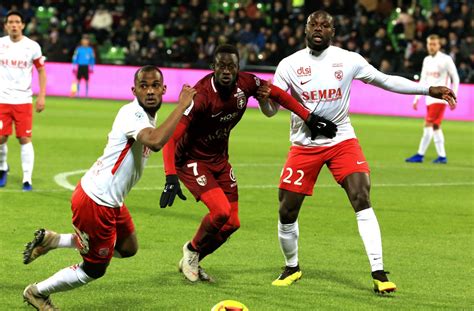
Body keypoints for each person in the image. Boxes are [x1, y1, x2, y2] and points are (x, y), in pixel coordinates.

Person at [257, 11, 456, 293]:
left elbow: (385, 80)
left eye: (325, 25)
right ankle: (292, 266)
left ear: (333, 31)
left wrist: (427, 89)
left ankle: (379, 272)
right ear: (305, 29)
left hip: (341, 139)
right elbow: (271, 110)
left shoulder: (348, 60)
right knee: (287, 210)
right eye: (314, 24)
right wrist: (265, 102)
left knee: (361, 195)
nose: (319, 29)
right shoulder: (289, 65)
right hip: (305, 144)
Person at [22, 65, 196, 310]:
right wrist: (182, 105)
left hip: (110, 199)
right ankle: (37, 292)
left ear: (163, 89)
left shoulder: (148, 116)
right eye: (143, 86)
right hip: (97, 200)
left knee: (128, 248)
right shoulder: (132, 114)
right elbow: (156, 142)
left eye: (155, 85)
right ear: (133, 90)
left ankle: (54, 240)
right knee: (94, 268)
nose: (149, 91)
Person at [159, 44, 336, 283]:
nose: (226, 71)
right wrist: (170, 176)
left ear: (238, 67)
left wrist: (309, 117)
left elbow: (277, 94)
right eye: (221, 66)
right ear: (213, 68)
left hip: (219, 160)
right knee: (220, 211)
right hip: (191, 160)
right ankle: (191, 250)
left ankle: (194, 259)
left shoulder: (246, 83)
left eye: (231, 66)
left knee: (232, 222)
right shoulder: (201, 96)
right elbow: (171, 138)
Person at [0, 11, 47, 191]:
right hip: (2, 99)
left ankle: (27, 179)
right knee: (1, 137)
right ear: (6, 25)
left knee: (24, 138)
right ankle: (3, 167)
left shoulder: (32, 46)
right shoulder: (1, 44)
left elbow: (41, 71)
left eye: (17, 22)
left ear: (22, 25)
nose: (14, 25)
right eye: (10, 22)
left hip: (23, 100)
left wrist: (41, 95)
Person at [405, 34, 459, 164]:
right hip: (429, 99)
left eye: (434, 44)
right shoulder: (427, 60)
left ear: (439, 45)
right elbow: (423, 79)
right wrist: (416, 98)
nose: (431, 46)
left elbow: (455, 78)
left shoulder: (446, 59)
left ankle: (420, 154)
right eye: (429, 44)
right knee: (435, 126)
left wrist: (454, 96)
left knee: (428, 124)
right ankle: (442, 156)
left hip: (441, 99)